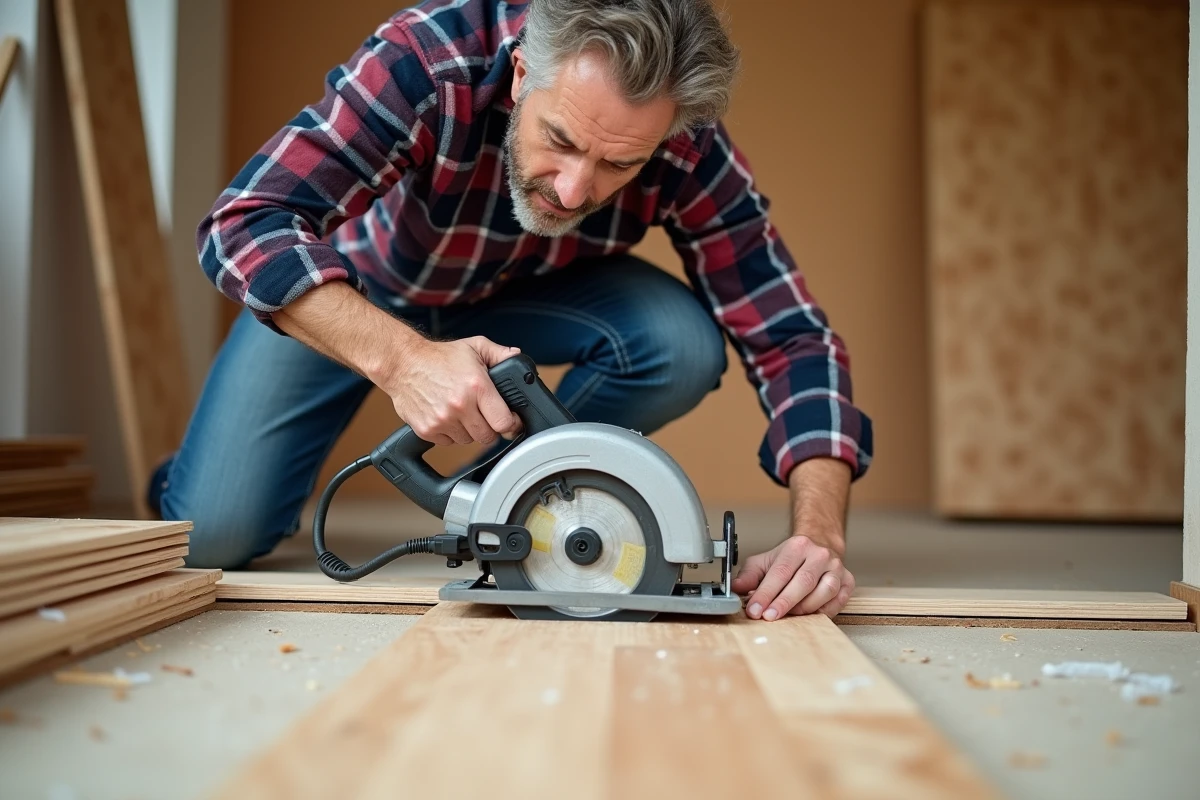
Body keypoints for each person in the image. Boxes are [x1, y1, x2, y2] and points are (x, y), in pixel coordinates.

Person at [153, 0, 874, 621]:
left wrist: (821, 535)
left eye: (618, 165)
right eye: (560, 140)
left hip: (533, 299)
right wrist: (405, 361)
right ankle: (195, 473)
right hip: (365, 293)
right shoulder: (429, 59)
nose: (572, 189)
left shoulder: (685, 142)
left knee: (679, 345)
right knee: (210, 534)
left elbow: (790, 337)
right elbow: (242, 225)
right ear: (524, 72)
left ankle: (498, 509)